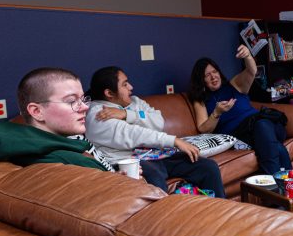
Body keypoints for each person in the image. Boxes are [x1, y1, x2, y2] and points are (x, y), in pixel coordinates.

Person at [84, 66, 225, 198]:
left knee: (207, 167)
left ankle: (221, 214)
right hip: (131, 161)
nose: (131, 87)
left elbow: (159, 121)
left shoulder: (135, 102)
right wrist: (174, 140)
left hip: (156, 154)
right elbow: (133, 134)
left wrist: (128, 114)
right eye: (125, 84)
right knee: (154, 176)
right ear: (109, 93)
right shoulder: (98, 114)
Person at [188, 44, 291, 175]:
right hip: (242, 137)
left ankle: (273, 186)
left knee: (262, 126)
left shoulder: (234, 85)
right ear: (201, 80)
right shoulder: (201, 100)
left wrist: (247, 56)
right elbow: (203, 128)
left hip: (268, 126)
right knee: (274, 146)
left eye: (215, 72)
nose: (213, 77)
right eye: (207, 75)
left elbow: (251, 71)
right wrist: (217, 113)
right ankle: (290, 184)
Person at [0, 67, 110, 170]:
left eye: (83, 99)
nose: (85, 107)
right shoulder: (76, 162)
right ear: (37, 111)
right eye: (71, 101)